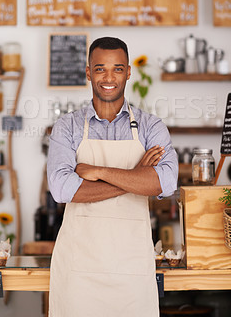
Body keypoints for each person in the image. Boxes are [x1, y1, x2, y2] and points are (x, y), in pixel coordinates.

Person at [47, 37, 178, 317]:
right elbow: (61, 189)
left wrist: (98, 172)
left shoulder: (150, 126)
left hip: (132, 273)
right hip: (78, 274)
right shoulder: (66, 127)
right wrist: (136, 177)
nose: (109, 78)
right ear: (88, 72)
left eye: (117, 69)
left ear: (129, 72)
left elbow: (165, 183)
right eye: (100, 69)